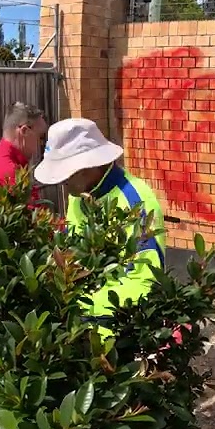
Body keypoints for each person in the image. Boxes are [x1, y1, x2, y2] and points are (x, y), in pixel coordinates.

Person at [33, 118, 166, 333]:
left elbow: (144, 280)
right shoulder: (80, 194)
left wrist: (87, 313)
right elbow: (74, 251)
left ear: (89, 167)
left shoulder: (136, 203)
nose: (62, 183)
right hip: (79, 325)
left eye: (66, 175)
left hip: (117, 330)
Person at [0, 102, 49, 206]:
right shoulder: (9, 171)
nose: (42, 143)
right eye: (41, 137)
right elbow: (36, 213)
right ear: (25, 131)